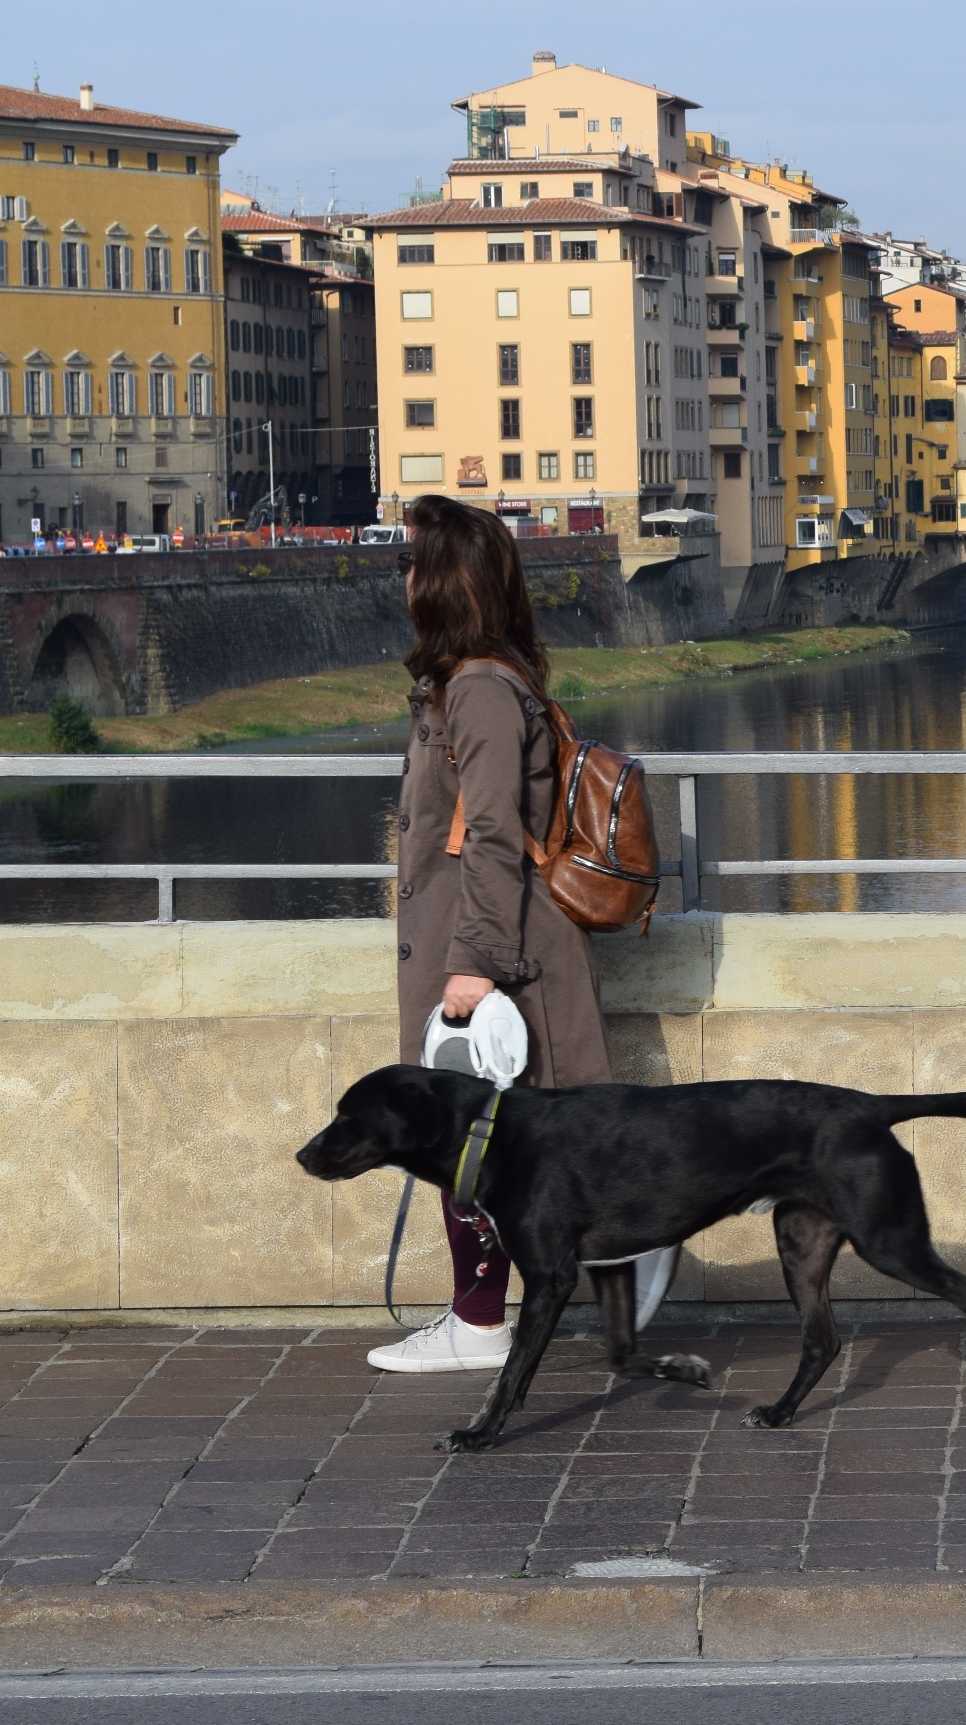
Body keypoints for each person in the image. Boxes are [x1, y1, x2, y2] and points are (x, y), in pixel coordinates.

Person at [369, 494, 613, 1373]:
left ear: (444, 582)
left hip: (497, 960)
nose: (399, 578)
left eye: (409, 563)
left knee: (469, 1144)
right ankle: (483, 1321)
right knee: (486, 1145)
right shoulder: (485, 679)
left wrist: (470, 966)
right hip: (495, 950)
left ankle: (482, 1327)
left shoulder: (475, 688)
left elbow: (496, 835)